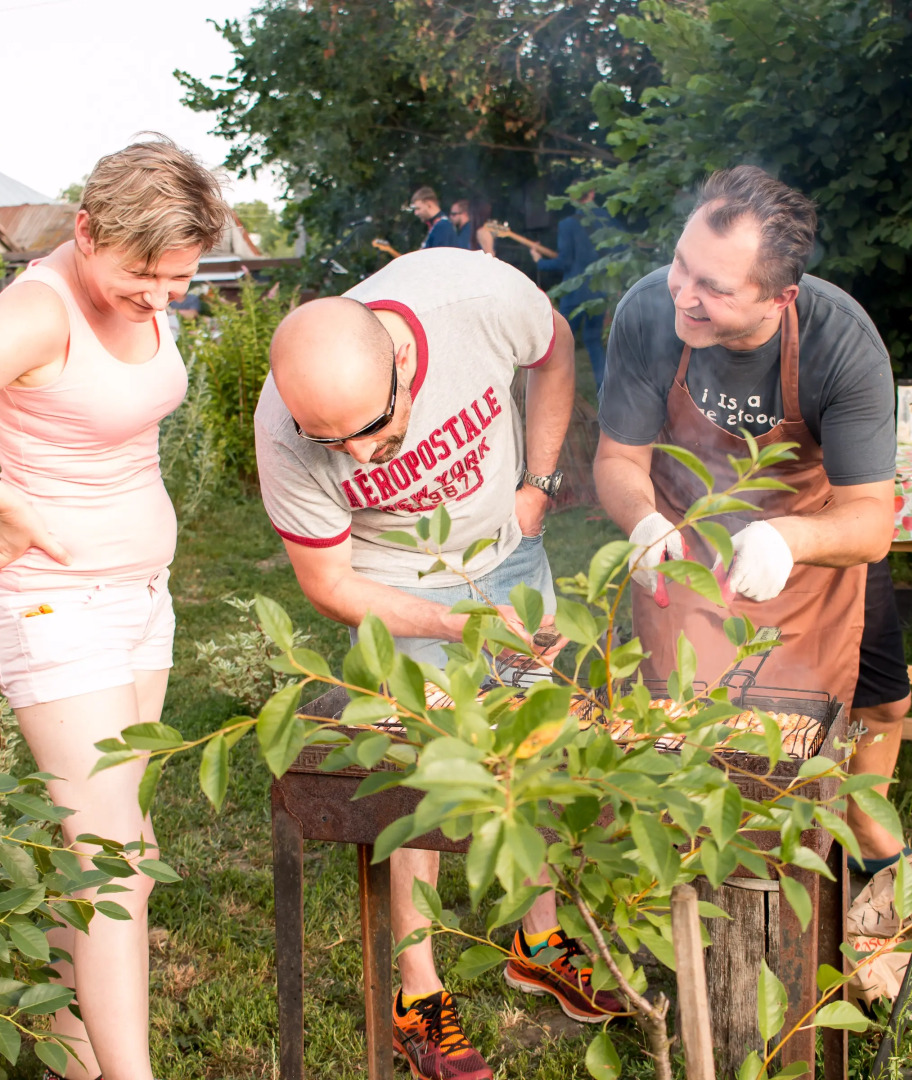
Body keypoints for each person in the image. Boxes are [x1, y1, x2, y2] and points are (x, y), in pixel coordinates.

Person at [0, 135, 233, 1080]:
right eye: (144, 277)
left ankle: (70, 1054)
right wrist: (10, 503)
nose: (161, 300)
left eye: (178, 281)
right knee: (117, 863)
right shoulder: (38, 313)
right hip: (62, 607)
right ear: (86, 230)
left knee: (102, 847)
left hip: (140, 601)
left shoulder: (144, 281)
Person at [254, 247, 621, 1080]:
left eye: (374, 431)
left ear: (405, 362)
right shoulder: (284, 430)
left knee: (537, 747)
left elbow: (555, 344)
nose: (358, 461)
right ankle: (418, 996)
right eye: (332, 443)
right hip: (396, 588)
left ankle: (540, 941)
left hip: (507, 553)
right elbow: (330, 584)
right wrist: (458, 627)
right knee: (413, 786)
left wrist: (536, 481)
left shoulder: (472, 298)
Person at [594, 165, 910, 870]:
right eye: (682, 265)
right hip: (685, 548)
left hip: (812, 540)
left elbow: (871, 522)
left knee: (879, 706)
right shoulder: (649, 312)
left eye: (715, 288)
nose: (684, 295)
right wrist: (644, 522)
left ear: (780, 297)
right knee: (686, 734)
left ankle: (865, 845)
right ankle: (692, 878)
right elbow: (617, 459)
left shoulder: (840, 343)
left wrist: (787, 537)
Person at [531, 191, 610, 391]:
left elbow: (564, 262)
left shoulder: (568, 224)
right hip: (599, 290)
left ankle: (553, 389)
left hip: (575, 293)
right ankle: (604, 390)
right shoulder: (605, 220)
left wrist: (539, 261)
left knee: (560, 343)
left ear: (573, 198)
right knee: (593, 340)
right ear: (592, 193)